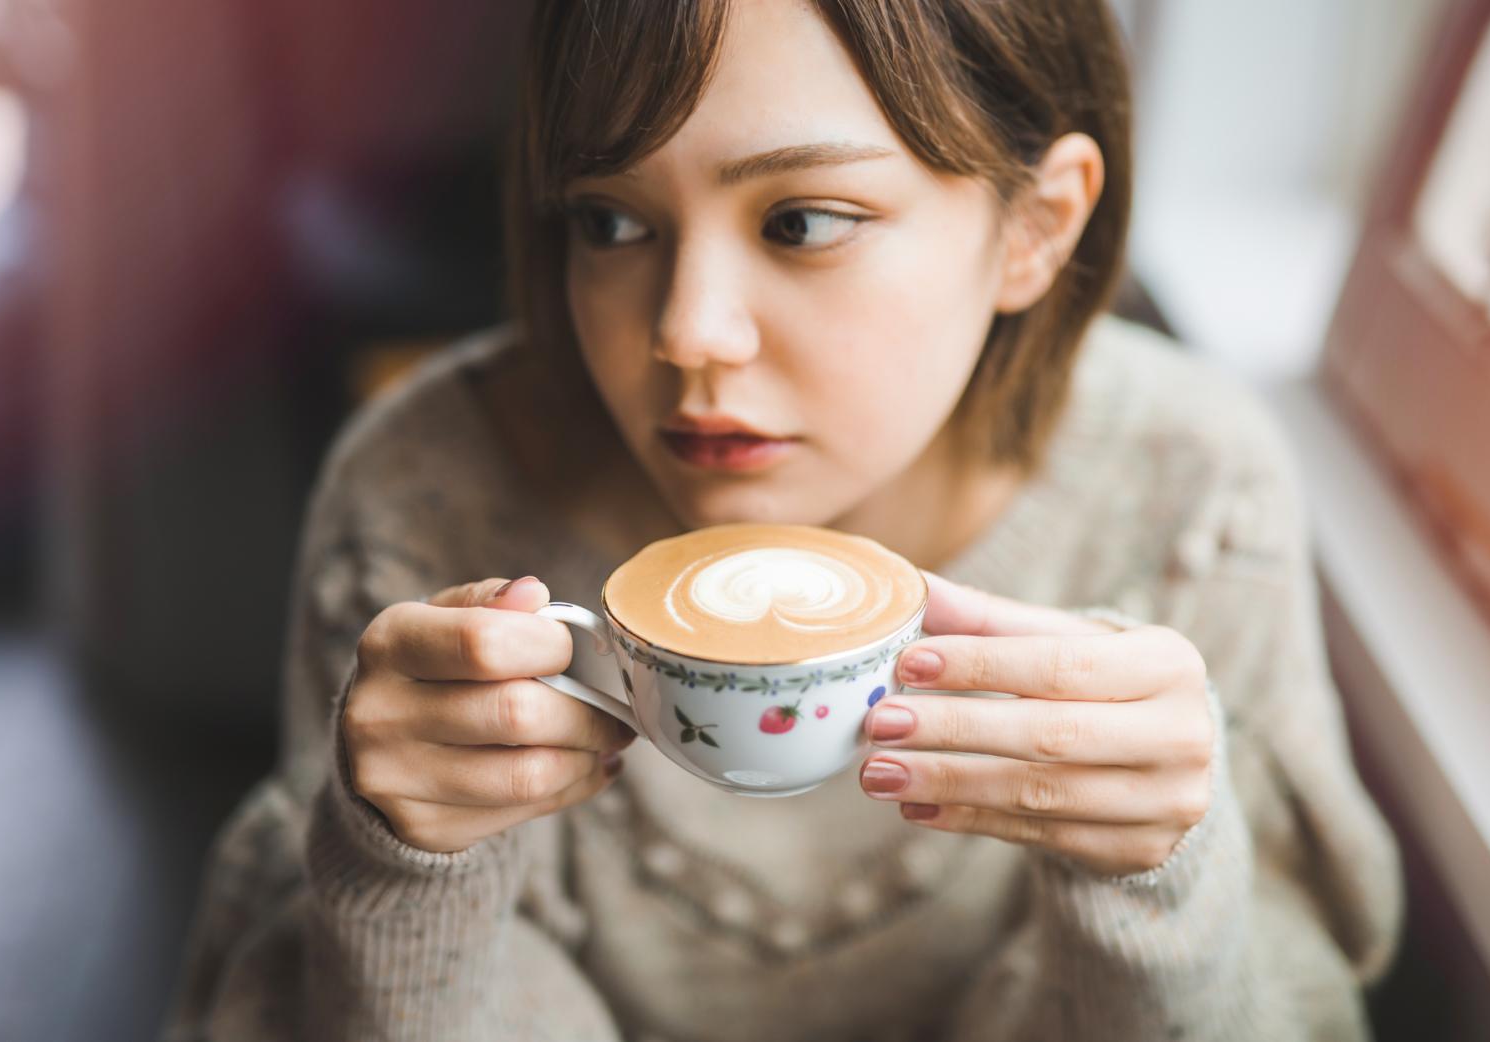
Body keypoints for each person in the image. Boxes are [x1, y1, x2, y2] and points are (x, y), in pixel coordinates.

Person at [162, 0, 1402, 1038]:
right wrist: (402, 875)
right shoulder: (422, 495)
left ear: (1034, 226)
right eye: (610, 220)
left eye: (800, 221)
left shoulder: (1189, 492)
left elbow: (1290, 999)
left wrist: (1158, 890)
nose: (687, 331)